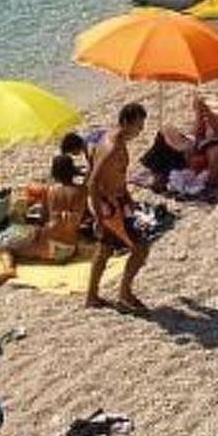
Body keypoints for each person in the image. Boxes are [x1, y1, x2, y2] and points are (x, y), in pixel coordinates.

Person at [86, 102, 150, 312]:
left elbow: (115, 176)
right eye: (138, 127)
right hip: (109, 206)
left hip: (117, 201)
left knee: (104, 249)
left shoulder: (113, 138)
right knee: (140, 249)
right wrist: (98, 217)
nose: (140, 131)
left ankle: (92, 297)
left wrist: (129, 199)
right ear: (125, 122)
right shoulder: (112, 147)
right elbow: (93, 182)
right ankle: (124, 294)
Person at [0, 154, 87, 287]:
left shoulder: (51, 191)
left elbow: (44, 218)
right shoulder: (82, 191)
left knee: (3, 243)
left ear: (54, 173)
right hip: (70, 250)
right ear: (72, 171)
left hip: (49, 247)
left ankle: (10, 269)